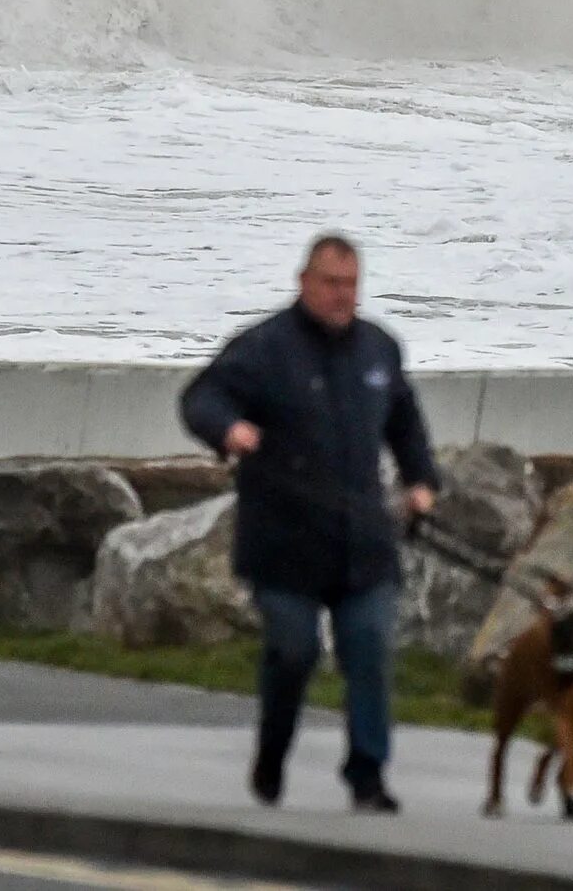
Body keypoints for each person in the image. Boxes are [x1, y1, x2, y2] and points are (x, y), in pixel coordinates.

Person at [180, 233, 439, 814]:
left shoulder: (379, 350)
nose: (341, 295)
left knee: (369, 646)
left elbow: (406, 425)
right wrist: (229, 430)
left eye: (351, 284)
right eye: (330, 283)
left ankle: (368, 776)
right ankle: (271, 757)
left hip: (362, 542)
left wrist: (422, 483)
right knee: (293, 652)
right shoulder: (264, 349)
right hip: (284, 541)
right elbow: (202, 398)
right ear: (304, 282)